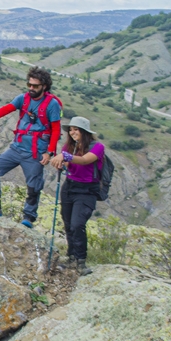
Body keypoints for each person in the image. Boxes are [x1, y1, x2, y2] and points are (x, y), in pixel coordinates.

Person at [0, 67, 61, 227]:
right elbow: (8, 108)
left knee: (34, 186)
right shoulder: (24, 98)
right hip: (17, 148)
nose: (31, 88)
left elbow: (56, 129)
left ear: (44, 86)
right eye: (29, 84)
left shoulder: (52, 105)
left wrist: (50, 152)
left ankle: (28, 217)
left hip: (35, 152)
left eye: (35, 86)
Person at [50, 116, 104, 275]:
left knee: (77, 224)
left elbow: (85, 160)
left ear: (84, 131)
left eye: (76, 129)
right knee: (68, 223)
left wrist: (65, 157)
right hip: (70, 187)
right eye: (71, 130)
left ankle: (81, 261)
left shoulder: (97, 147)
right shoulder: (69, 147)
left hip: (87, 190)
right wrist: (61, 164)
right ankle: (72, 256)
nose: (72, 132)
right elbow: (70, 164)